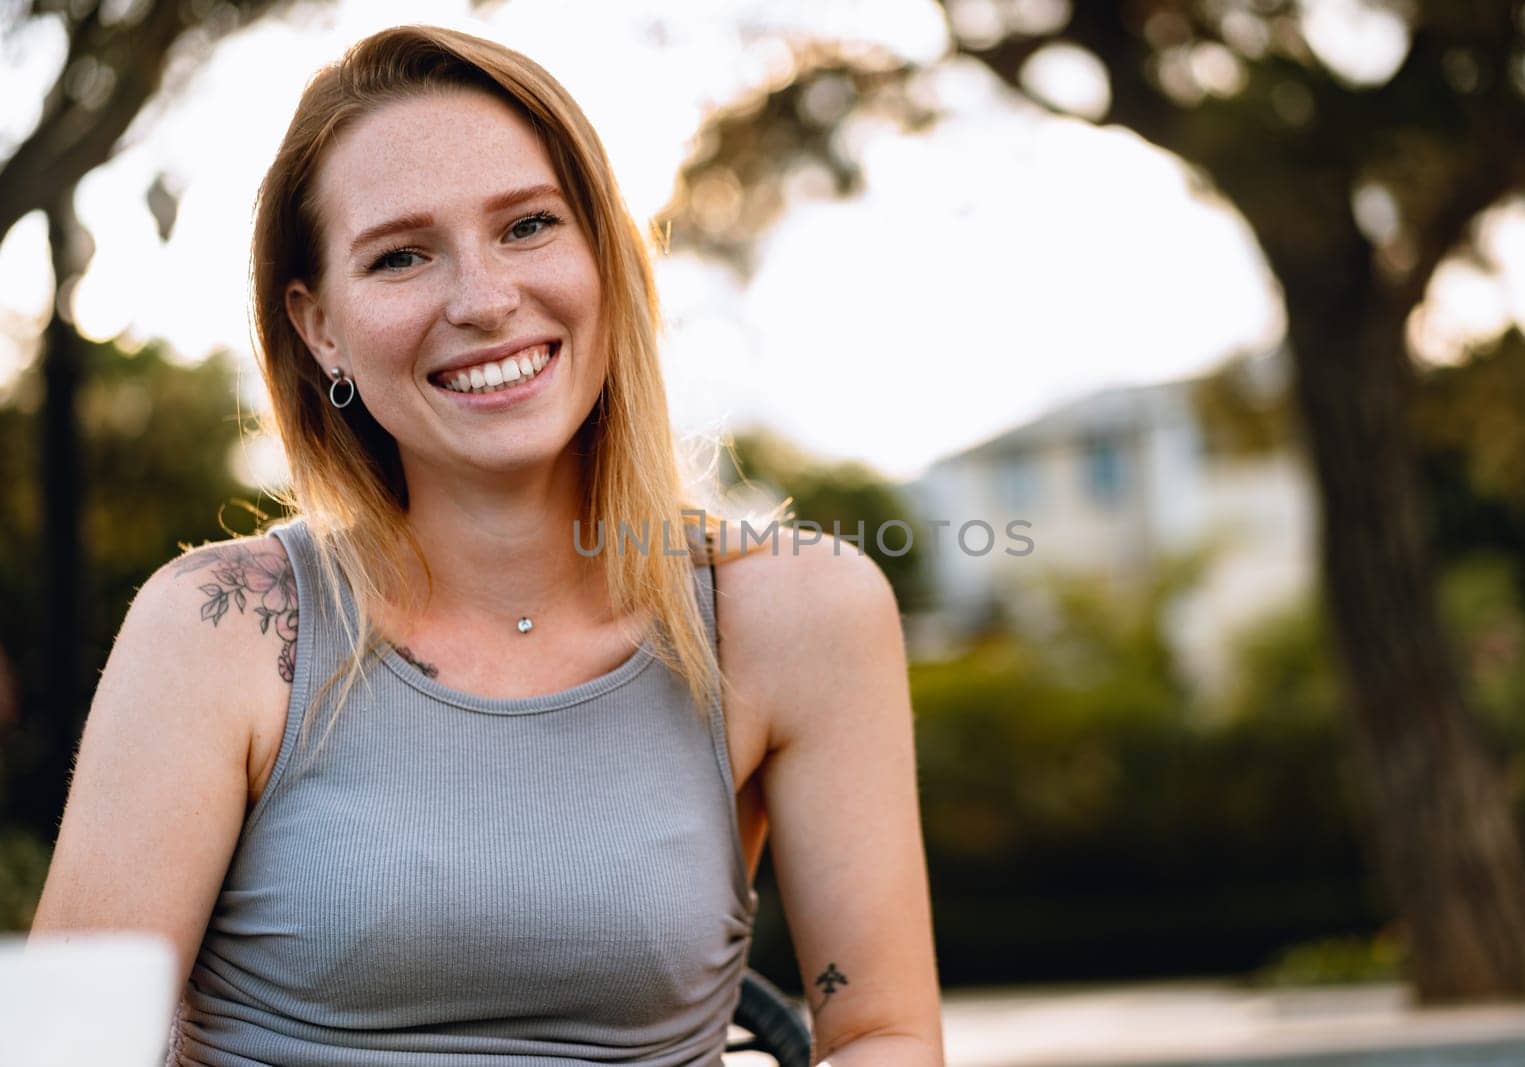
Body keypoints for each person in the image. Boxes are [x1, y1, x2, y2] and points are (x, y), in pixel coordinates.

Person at [27, 22, 943, 1067]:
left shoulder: (798, 611)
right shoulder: (220, 625)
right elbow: (70, 1047)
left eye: (527, 226)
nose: (482, 300)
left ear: (605, 249)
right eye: (401, 255)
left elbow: (881, 1032)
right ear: (320, 324)